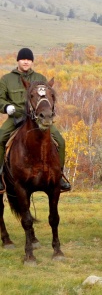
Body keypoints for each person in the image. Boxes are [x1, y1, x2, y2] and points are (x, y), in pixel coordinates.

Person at [0, 47, 71, 191]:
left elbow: (47, 98)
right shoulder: (7, 79)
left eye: (28, 60)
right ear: (18, 61)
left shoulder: (40, 78)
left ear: (32, 62)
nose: (26, 62)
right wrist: (7, 107)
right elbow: (0, 99)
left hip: (39, 119)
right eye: (23, 59)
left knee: (61, 142)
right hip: (16, 117)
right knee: (0, 138)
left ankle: (60, 176)